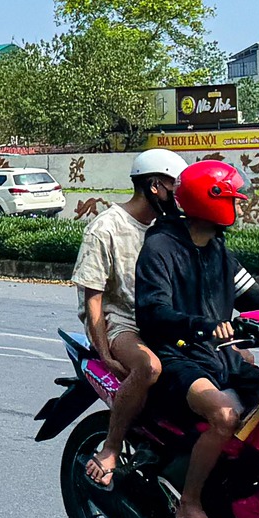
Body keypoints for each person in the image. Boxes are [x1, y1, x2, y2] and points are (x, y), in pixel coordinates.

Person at [132, 159, 259, 518]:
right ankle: (189, 503)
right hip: (177, 356)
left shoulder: (218, 251)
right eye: (234, 199)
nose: (241, 205)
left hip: (220, 355)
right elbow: (153, 311)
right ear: (212, 202)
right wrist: (203, 325)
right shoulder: (160, 247)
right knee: (224, 415)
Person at [71, 148, 185, 489]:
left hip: (163, 320)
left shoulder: (170, 228)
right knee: (149, 368)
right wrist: (103, 350)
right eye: (174, 186)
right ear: (155, 186)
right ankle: (110, 446)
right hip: (122, 322)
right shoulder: (106, 227)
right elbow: (93, 296)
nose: (179, 194)